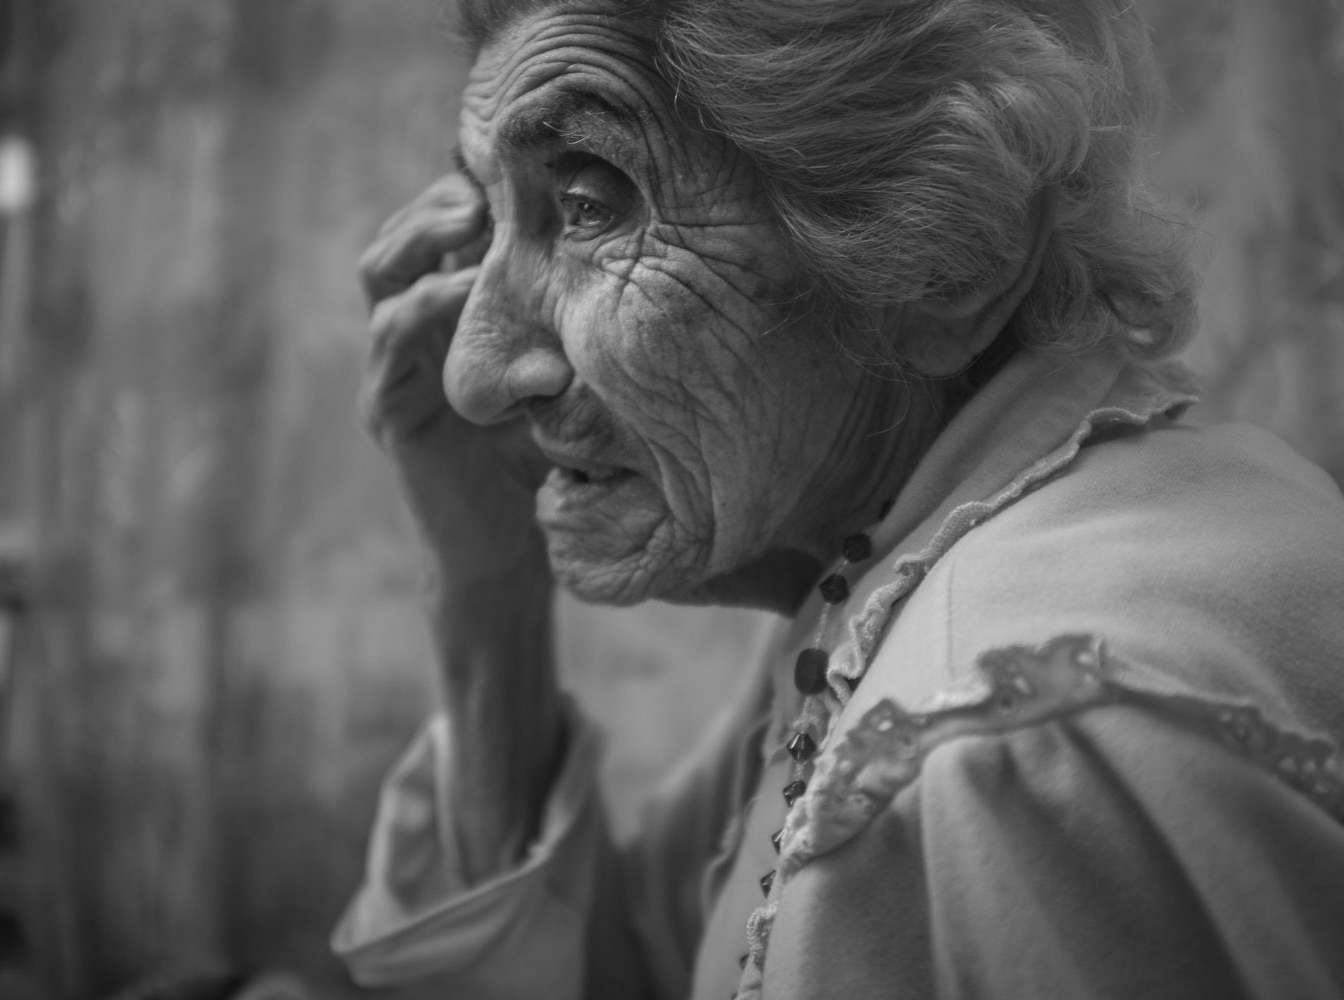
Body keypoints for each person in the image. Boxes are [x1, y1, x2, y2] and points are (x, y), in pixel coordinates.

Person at [336, 0, 1344, 997]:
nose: (474, 373)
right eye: (488, 222)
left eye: (593, 205)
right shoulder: (894, 580)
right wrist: (486, 592)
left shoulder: (1009, 738)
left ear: (951, 252)